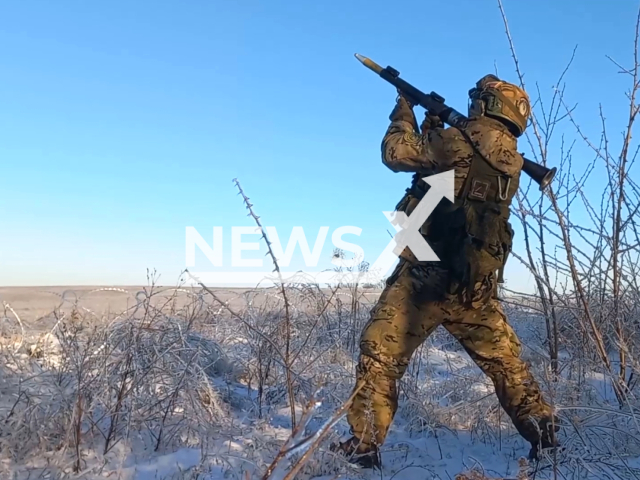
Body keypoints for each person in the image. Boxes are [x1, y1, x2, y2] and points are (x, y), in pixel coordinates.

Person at [333, 75, 560, 469]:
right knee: (506, 363)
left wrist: (404, 111)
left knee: (380, 353)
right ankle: (547, 438)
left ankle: (364, 446)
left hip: (425, 279)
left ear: (486, 104)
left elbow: (396, 154)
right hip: (475, 287)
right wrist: (435, 122)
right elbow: (450, 186)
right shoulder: (513, 161)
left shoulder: (459, 139)